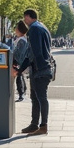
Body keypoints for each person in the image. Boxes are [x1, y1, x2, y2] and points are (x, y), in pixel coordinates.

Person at [14, 8, 53, 136]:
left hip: (39, 69)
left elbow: (33, 53)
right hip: (44, 67)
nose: (24, 21)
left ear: (28, 17)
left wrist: (20, 70)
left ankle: (43, 126)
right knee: (36, 98)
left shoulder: (34, 29)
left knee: (40, 98)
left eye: (25, 18)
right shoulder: (43, 27)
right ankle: (34, 124)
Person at [11, 22, 29, 102]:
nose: (15, 30)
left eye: (16, 28)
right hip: (21, 62)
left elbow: (18, 53)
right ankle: (22, 93)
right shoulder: (22, 39)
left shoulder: (21, 40)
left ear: (19, 29)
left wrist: (13, 60)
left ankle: (21, 94)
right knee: (20, 76)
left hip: (19, 62)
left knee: (19, 76)